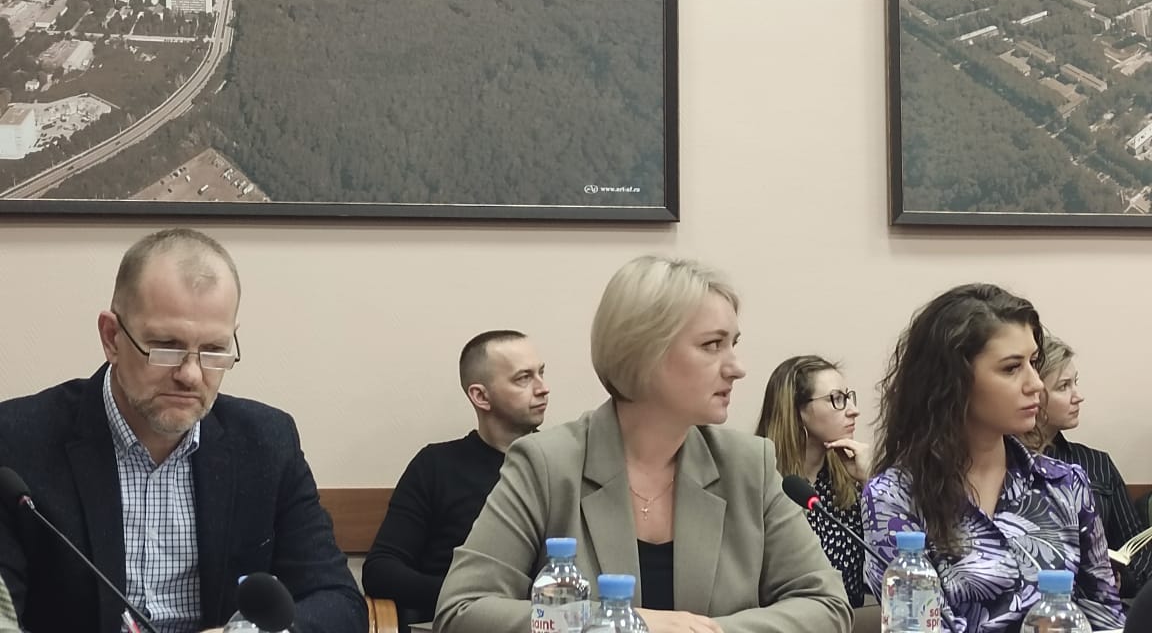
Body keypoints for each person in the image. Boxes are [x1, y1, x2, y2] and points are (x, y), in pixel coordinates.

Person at [435, 256, 852, 633]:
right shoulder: (547, 465)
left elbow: (826, 605)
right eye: (712, 345)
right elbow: (462, 611)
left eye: (733, 344)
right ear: (644, 351)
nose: (737, 368)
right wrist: (621, 624)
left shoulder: (748, 464)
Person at [0, 228, 365, 633]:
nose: (190, 375)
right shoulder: (17, 442)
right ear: (112, 338)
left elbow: (339, 601)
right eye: (167, 346)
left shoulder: (267, 443)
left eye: (213, 350)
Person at [862, 283, 1125, 632]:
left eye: (1034, 363)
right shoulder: (894, 497)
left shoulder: (1064, 484)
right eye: (1011, 368)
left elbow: (1106, 616)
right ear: (952, 382)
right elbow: (916, 625)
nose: (1036, 384)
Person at [362, 329, 549, 627]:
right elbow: (381, 571)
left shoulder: (561, 461)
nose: (543, 388)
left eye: (541, 373)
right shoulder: (436, 466)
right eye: (523, 378)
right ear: (481, 396)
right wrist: (466, 601)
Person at [1026, 332, 1152, 598]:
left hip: (1098, 605)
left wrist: (1121, 579)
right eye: (1063, 386)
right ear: (1032, 394)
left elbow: (1141, 556)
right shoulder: (1002, 465)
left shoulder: (1097, 464)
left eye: (1075, 383)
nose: (1078, 396)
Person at [756, 355, 870, 607]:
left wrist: (870, 482)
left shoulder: (848, 481)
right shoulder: (762, 482)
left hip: (853, 620)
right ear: (797, 411)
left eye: (848, 397)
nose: (853, 410)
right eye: (837, 399)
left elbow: (890, 566)